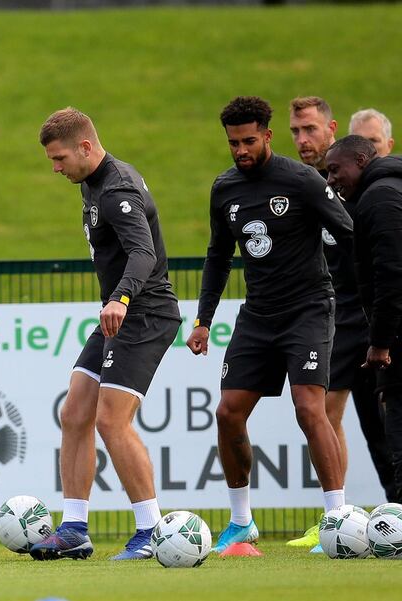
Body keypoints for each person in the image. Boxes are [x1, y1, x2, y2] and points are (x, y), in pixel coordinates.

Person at [186, 96, 352, 554]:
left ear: (267, 136)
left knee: (308, 407)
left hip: (308, 309)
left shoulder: (300, 180)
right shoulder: (224, 189)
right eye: (233, 142)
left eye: (249, 140)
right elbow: (218, 256)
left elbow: (348, 231)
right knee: (227, 413)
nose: (240, 149)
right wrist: (203, 320)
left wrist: (370, 294)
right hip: (258, 314)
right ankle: (241, 524)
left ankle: (336, 518)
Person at [29, 108, 181, 562]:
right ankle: (75, 526)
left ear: (85, 147)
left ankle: (152, 529)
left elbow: (143, 252)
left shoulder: (117, 190)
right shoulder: (92, 181)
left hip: (144, 313)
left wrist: (121, 299)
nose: (55, 168)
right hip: (120, 314)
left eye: (59, 159)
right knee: (75, 412)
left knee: (111, 420)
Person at [288, 98, 396, 551]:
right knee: (325, 412)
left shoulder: (368, 190)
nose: (302, 140)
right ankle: (338, 517)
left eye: (309, 129)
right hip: (333, 314)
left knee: (382, 419)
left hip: (370, 314)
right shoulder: (306, 183)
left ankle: (392, 510)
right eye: (295, 131)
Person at [325, 135, 402, 504]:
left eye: (336, 170)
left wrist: (381, 341)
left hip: (391, 338)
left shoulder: (380, 197)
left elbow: (391, 275)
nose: (330, 179)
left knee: (396, 428)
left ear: (360, 159)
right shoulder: (387, 189)